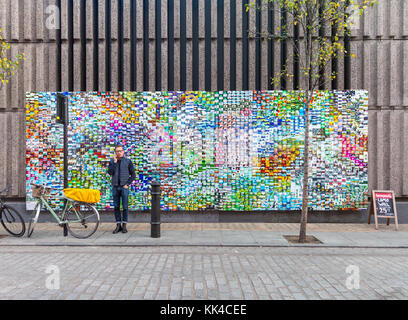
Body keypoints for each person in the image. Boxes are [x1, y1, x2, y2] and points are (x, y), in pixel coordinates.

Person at [107, 145, 136, 234]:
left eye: (120, 151)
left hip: (124, 187)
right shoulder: (112, 161)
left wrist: (127, 184)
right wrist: (115, 163)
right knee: (116, 207)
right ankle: (118, 225)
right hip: (115, 187)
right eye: (117, 151)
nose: (119, 152)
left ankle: (124, 225)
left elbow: (133, 175)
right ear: (115, 152)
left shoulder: (128, 161)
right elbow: (110, 172)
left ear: (123, 152)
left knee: (125, 207)